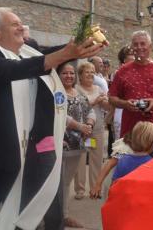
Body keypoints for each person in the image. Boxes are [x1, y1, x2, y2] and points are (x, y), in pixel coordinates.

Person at [0, 7, 104, 230]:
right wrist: (64, 54)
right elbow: (11, 70)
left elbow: (53, 53)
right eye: (14, 24)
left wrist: (83, 42)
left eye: (21, 23)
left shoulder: (29, 51)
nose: (21, 27)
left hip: (30, 150)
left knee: (24, 212)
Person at [109, 30, 153, 156]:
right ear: (131, 47)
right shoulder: (122, 71)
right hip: (130, 135)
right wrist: (125, 104)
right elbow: (111, 98)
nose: (139, 47)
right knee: (129, 174)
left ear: (150, 47)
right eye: (135, 44)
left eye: (143, 44)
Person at [58, 63, 96, 228]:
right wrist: (81, 127)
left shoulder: (78, 93)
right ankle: (56, 216)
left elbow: (90, 110)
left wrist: (89, 123)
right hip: (62, 143)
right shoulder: (57, 93)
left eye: (71, 73)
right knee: (58, 181)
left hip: (77, 144)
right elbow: (60, 114)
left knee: (66, 181)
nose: (69, 76)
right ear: (58, 75)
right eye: (65, 73)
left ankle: (64, 215)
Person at [74, 61, 110, 199]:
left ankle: (95, 188)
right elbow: (79, 106)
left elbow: (107, 107)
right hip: (81, 129)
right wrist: (95, 101)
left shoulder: (99, 89)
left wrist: (107, 101)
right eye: (87, 72)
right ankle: (80, 189)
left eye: (92, 72)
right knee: (81, 158)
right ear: (80, 75)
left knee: (96, 157)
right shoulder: (76, 89)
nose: (90, 74)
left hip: (97, 129)